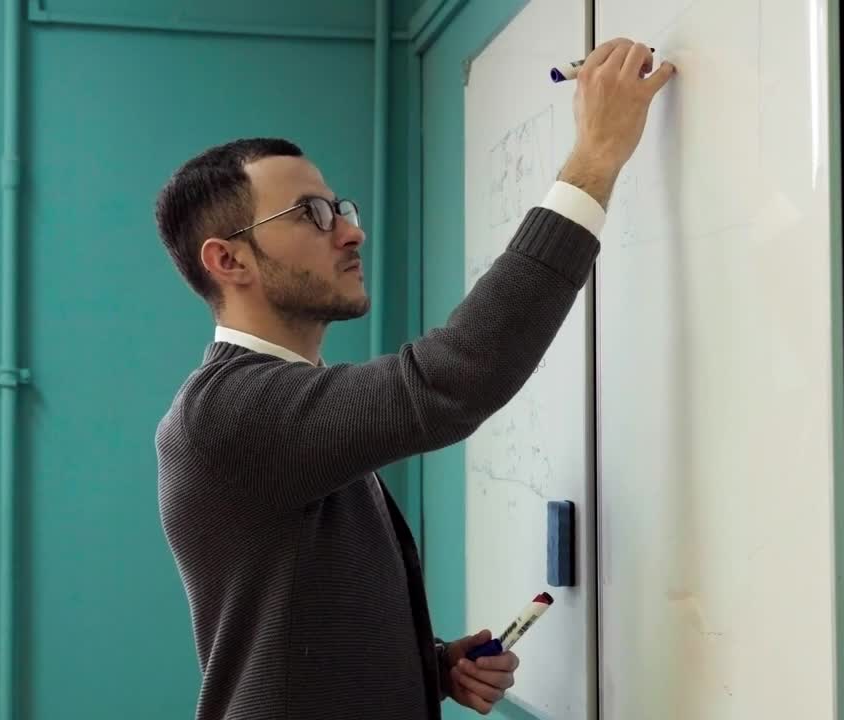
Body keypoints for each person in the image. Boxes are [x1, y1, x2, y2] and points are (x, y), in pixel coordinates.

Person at [153, 38, 674, 720]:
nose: (349, 233)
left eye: (342, 209)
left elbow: (291, 623)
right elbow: (451, 381)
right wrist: (594, 159)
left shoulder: (281, 404)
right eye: (312, 214)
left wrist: (426, 665)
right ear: (229, 261)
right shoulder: (227, 413)